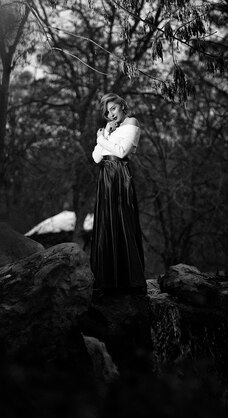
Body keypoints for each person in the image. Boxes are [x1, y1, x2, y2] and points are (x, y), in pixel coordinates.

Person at [90, 93, 146, 294]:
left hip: (119, 175)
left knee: (122, 221)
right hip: (105, 175)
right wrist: (105, 133)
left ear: (122, 105)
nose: (110, 114)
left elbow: (122, 152)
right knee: (107, 222)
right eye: (107, 112)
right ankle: (109, 279)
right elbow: (96, 157)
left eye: (113, 108)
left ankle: (129, 279)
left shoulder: (132, 122)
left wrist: (100, 138)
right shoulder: (111, 128)